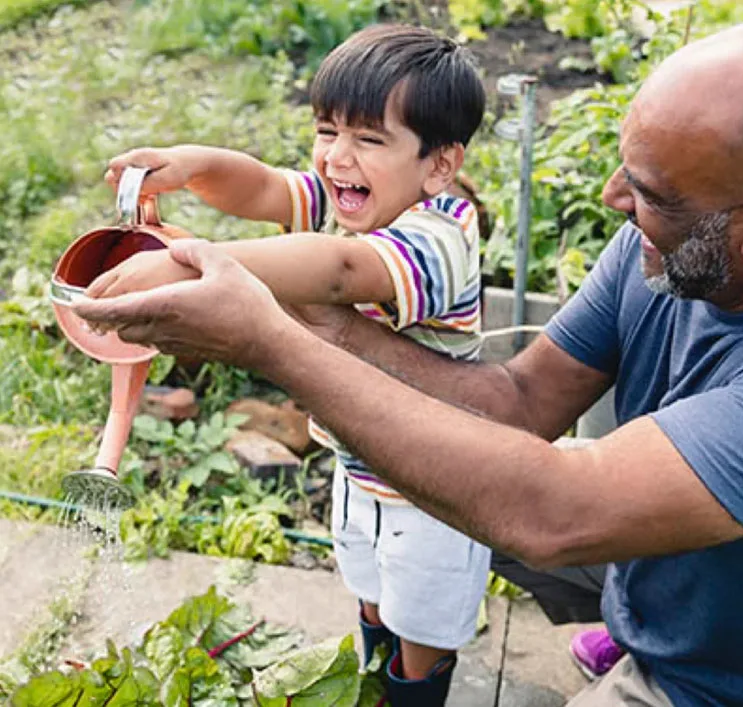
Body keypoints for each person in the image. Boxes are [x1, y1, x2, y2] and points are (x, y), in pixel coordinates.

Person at [76, 19, 743, 707]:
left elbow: (553, 513)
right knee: (480, 497)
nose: (616, 203)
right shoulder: (667, 250)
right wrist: (284, 305)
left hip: (739, 688)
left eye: (650, 195)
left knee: (513, 507)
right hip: (642, 555)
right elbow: (515, 405)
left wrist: (266, 334)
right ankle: (636, 620)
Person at [89, 24, 489, 707]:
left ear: (439, 165)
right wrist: (188, 164)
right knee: (369, 599)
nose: (337, 157)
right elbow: (268, 188)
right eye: (327, 130)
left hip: (434, 491)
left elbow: (339, 272)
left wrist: (195, 263)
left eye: (368, 139)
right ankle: (371, 686)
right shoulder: (354, 202)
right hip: (358, 469)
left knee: (420, 635)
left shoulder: (439, 236)